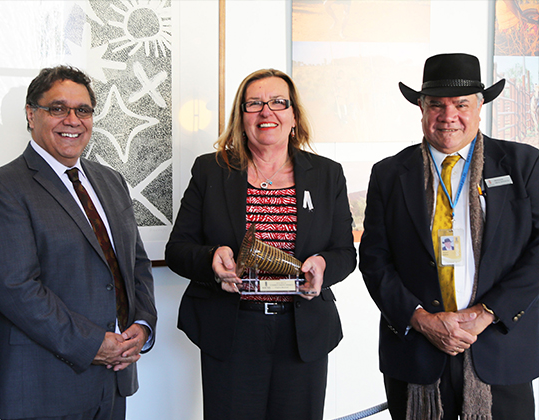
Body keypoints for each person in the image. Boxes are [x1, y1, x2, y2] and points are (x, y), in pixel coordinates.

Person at [165, 68, 356, 420]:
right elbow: (177, 249)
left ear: (294, 116)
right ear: (241, 117)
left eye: (278, 102)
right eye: (254, 104)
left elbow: (346, 253)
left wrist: (323, 267)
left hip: (302, 334)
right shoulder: (211, 171)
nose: (266, 112)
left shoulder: (327, 174)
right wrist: (211, 259)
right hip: (233, 331)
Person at [360, 53, 539, 419]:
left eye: (461, 104)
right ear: (421, 109)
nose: (448, 116)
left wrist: (487, 313)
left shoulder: (524, 165)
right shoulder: (390, 174)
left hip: (500, 350)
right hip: (416, 353)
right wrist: (422, 319)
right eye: (436, 105)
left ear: (480, 105)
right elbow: (375, 260)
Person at [0, 65, 157, 420]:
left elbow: (135, 263)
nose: (72, 120)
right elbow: (16, 289)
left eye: (83, 110)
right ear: (31, 114)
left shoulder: (110, 180)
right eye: (58, 108)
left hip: (114, 378)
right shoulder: (1, 189)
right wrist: (94, 345)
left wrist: (142, 326)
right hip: (46, 386)